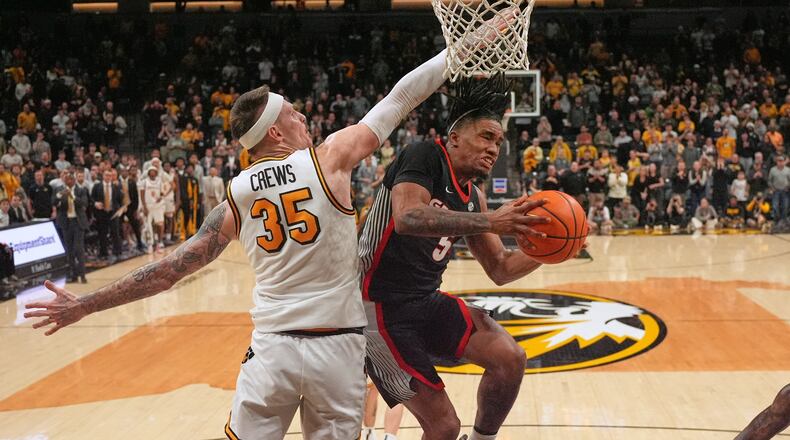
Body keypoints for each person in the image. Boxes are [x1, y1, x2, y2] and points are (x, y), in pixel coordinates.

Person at [25, 40, 498, 439]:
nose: (304, 120)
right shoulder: (328, 159)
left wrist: (85, 305)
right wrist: (456, 52)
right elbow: (399, 100)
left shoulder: (236, 194)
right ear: (274, 130)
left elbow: (169, 271)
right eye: (294, 115)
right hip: (337, 348)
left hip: (272, 352)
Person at [359, 75, 551, 440]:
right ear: (455, 138)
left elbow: (500, 268)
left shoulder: (474, 197)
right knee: (444, 426)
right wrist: (492, 219)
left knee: (510, 358)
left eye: (499, 141)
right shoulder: (424, 155)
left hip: (424, 302)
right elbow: (407, 217)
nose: (494, 149)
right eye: (486, 137)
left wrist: (552, 250)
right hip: (376, 309)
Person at [52, 172, 89, 283]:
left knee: (78, 248)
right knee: (69, 250)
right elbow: (53, 202)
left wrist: (72, 196)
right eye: (67, 180)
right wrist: (60, 195)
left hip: (78, 222)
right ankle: (73, 275)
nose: (68, 182)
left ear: (74, 181)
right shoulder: (59, 190)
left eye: (71, 180)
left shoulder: (81, 190)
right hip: (66, 222)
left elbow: (83, 203)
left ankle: (82, 275)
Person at [91, 170, 124, 261]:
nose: (108, 177)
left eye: (110, 175)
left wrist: (120, 209)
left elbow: (120, 199)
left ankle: (117, 252)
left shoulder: (115, 187)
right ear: (103, 176)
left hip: (113, 213)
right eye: (106, 175)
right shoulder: (97, 186)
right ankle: (103, 253)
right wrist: (95, 204)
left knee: (115, 233)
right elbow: (92, 199)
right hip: (101, 213)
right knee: (102, 233)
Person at [140, 166, 166, 252]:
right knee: (148, 226)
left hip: (158, 206)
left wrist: (161, 197)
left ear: (156, 172)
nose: (152, 173)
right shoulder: (144, 182)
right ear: (148, 172)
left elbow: (163, 192)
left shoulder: (160, 182)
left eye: (154, 171)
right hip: (148, 206)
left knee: (160, 224)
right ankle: (150, 244)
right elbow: (142, 195)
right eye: (151, 171)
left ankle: (160, 242)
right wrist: (144, 207)